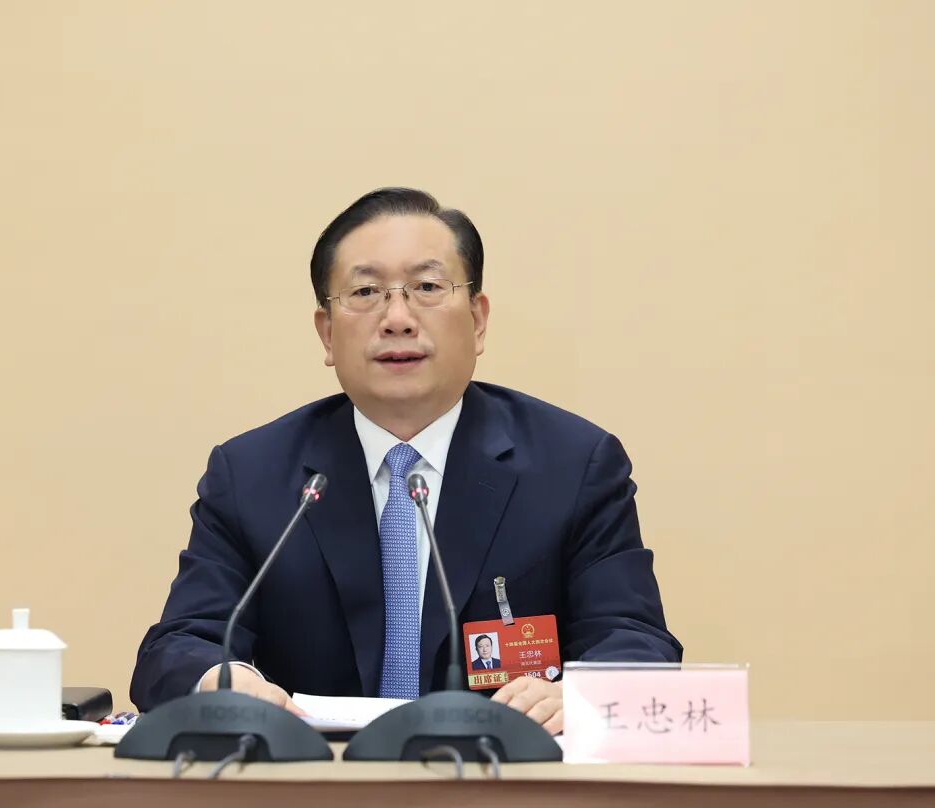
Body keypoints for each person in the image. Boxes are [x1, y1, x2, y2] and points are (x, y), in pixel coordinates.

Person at [130, 188, 682, 735]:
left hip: (499, 773)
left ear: (478, 320)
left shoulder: (573, 465)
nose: (397, 318)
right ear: (327, 333)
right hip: (316, 776)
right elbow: (177, 646)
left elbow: (635, 639)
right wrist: (221, 680)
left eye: (427, 287)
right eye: (366, 291)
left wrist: (576, 696)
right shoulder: (251, 475)